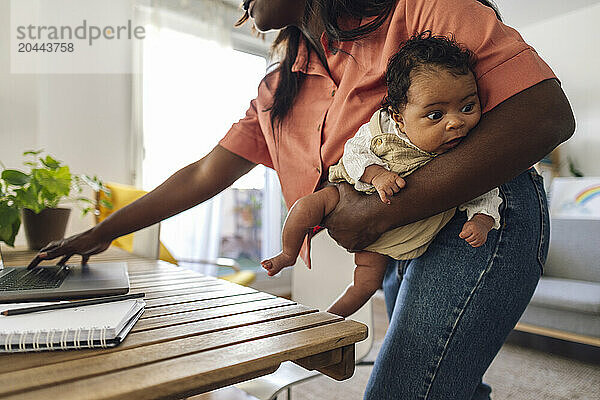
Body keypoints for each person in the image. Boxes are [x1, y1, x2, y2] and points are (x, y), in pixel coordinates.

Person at [29, 0, 574, 398]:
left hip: (478, 213)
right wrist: (99, 234)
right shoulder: (278, 88)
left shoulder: (427, 9)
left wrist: (377, 210)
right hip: (397, 238)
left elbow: (546, 114)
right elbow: (202, 175)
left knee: (407, 390)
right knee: (443, 382)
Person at [261, 32, 503, 319]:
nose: (455, 122)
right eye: (435, 115)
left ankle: (326, 320)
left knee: (364, 285)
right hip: (346, 193)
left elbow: (483, 188)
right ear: (399, 117)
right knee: (305, 207)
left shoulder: (462, 151)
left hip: (396, 232)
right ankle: (288, 253)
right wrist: (375, 174)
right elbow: (352, 154)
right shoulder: (382, 128)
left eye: (467, 107)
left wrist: (483, 220)